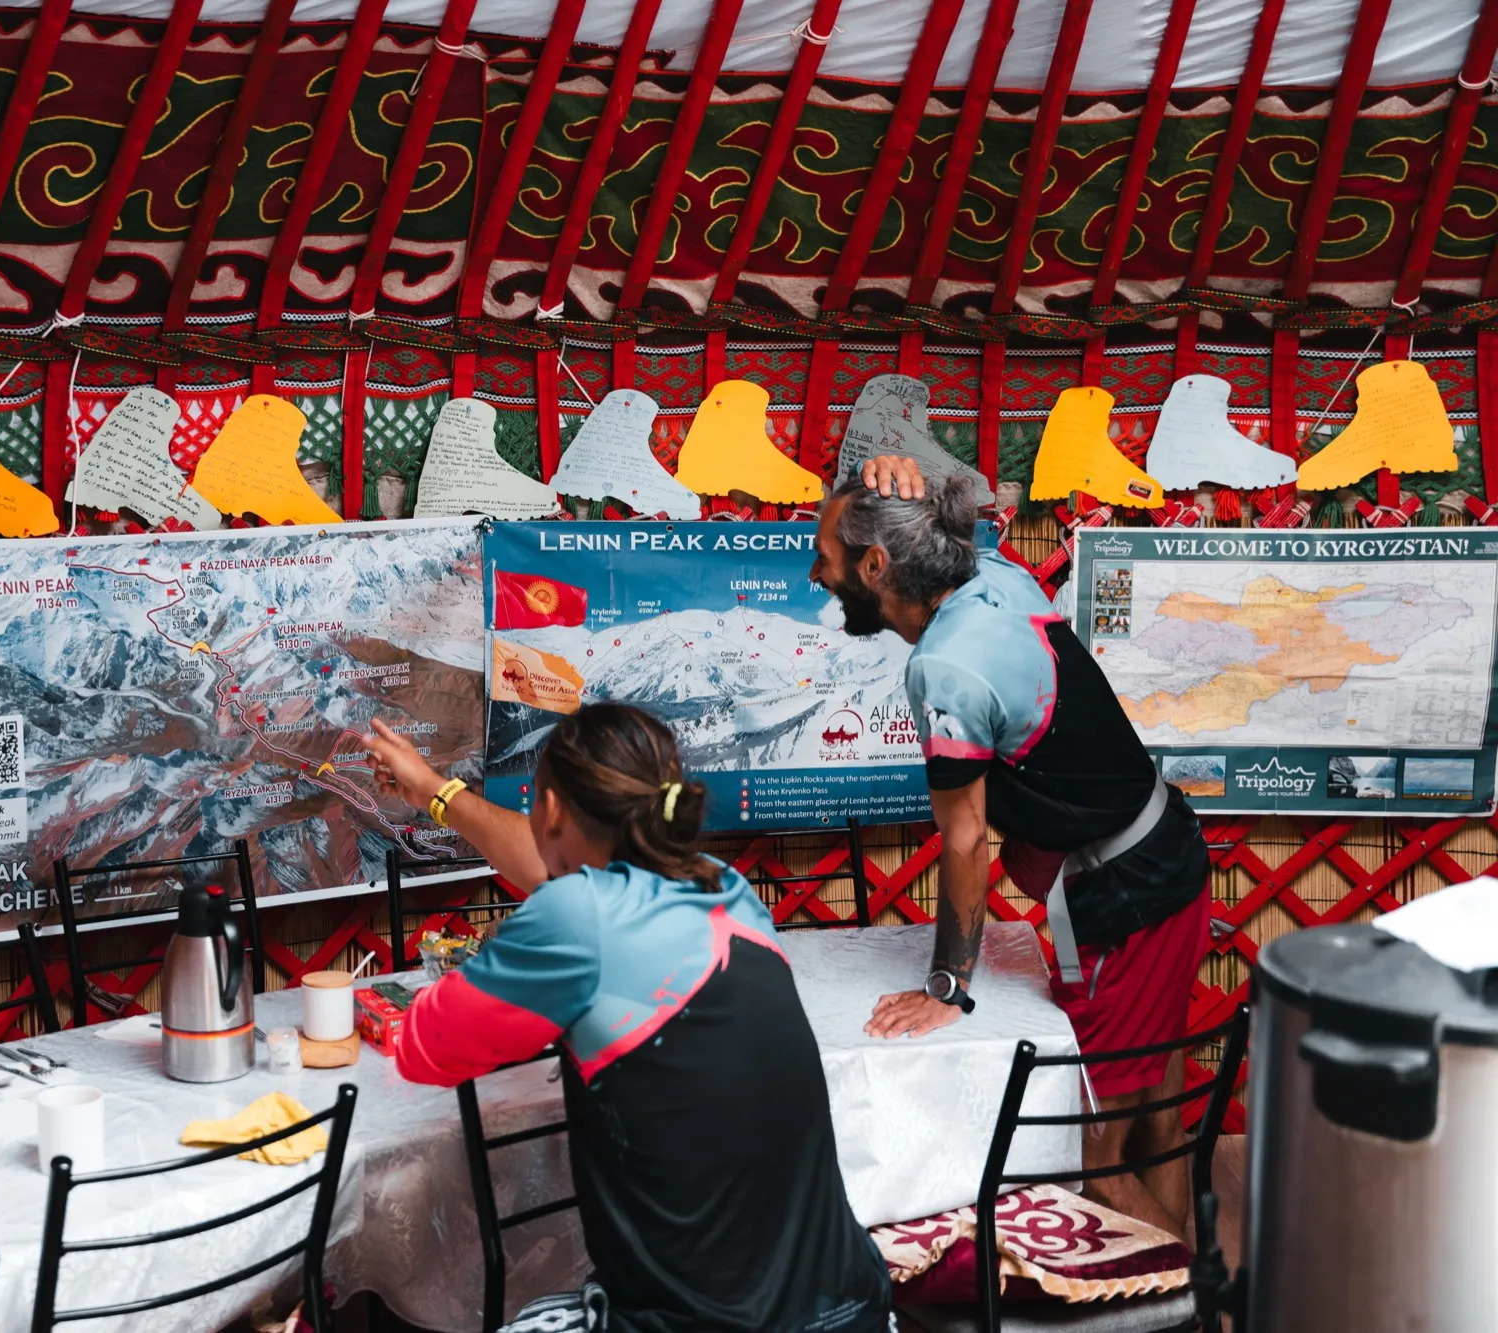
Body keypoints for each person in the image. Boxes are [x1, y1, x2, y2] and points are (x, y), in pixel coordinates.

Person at [362, 704, 891, 1333]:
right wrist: (433, 790)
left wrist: (502, 965)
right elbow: (561, 877)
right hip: (853, 1305)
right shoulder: (726, 888)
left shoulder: (575, 916)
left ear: (549, 810)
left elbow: (425, 1049)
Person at [812, 458, 1211, 1238]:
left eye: (824, 557)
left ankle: (1192, 1298)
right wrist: (893, 463)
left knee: (1087, 1153)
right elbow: (945, 510)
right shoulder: (993, 574)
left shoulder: (945, 666)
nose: (816, 573)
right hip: (1171, 857)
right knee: (1156, 1121)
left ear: (875, 564)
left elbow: (965, 836)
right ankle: (1191, 1287)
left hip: (1127, 904)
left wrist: (947, 985)